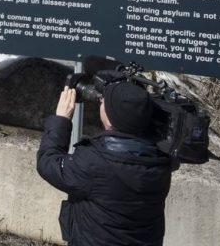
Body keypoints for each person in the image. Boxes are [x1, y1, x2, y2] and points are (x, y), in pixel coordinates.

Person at [36, 81, 173, 246]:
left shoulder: (95, 162)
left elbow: (48, 163)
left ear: (110, 118)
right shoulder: (161, 160)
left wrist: (61, 120)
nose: (100, 103)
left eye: (103, 102)